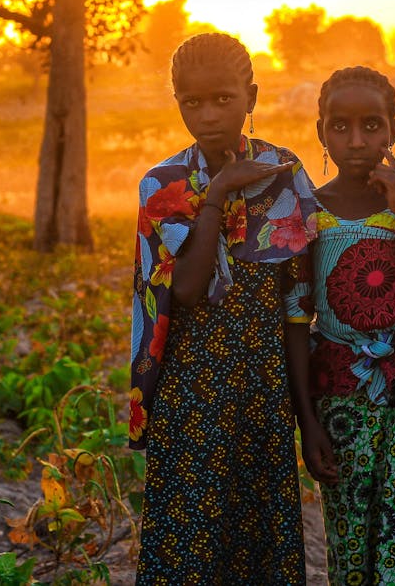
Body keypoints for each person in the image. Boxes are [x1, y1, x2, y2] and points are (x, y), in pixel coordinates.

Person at [129, 32, 318, 585]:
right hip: (189, 396)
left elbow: (297, 309)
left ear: (251, 97)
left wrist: (306, 417)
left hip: (263, 393)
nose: (208, 114)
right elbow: (185, 290)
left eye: (223, 99)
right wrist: (216, 194)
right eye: (192, 102)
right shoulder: (162, 185)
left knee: (263, 551)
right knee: (188, 551)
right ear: (178, 103)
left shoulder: (285, 177)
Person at [293, 65, 395, 584]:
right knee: (352, 548)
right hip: (339, 403)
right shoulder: (308, 210)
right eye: (340, 127)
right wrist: (308, 422)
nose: (356, 140)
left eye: (371, 125)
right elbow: (297, 319)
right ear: (321, 132)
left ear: (393, 130)